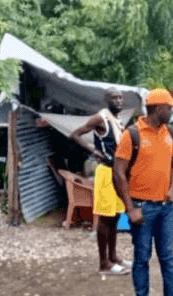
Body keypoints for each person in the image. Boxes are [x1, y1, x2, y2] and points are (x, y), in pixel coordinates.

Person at [112, 89, 173, 296]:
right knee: (142, 258)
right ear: (157, 109)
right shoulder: (131, 135)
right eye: (169, 107)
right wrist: (129, 208)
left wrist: (172, 188)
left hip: (165, 209)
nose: (172, 111)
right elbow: (118, 173)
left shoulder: (170, 132)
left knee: (167, 258)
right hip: (141, 208)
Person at [69, 88, 132, 275]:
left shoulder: (117, 120)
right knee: (105, 218)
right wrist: (95, 152)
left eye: (121, 97)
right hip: (106, 173)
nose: (119, 101)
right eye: (114, 98)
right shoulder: (100, 118)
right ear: (106, 100)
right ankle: (104, 263)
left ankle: (114, 257)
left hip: (118, 173)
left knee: (114, 216)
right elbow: (74, 135)